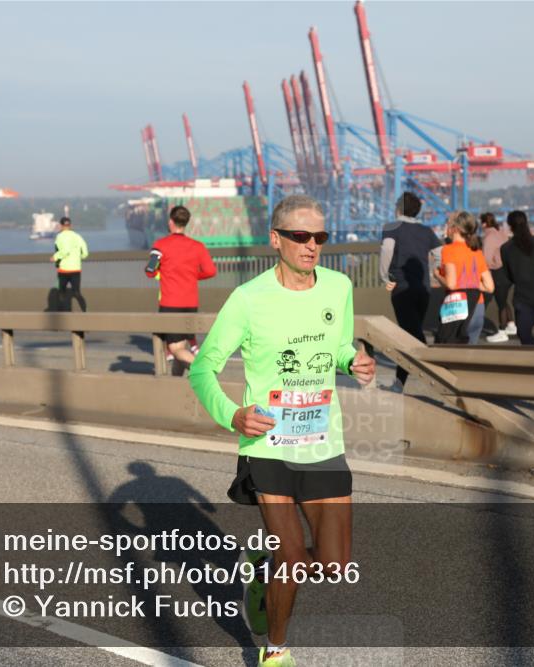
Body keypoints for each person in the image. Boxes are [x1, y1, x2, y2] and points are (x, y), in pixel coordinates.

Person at [189, 194, 375, 667]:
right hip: (268, 447)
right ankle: (275, 650)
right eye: (300, 236)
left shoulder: (337, 287)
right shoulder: (248, 299)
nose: (311, 246)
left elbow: (337, 349)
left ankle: (258, 572)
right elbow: (201, 370)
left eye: (320, 237)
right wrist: (232, 415)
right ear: (276, 239)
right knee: (291, 559)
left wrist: (353, 361)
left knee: (334, 566)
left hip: (324, 444)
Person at [378, 192, 441, 392]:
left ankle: (439, 370)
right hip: (423, 289)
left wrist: (385, 277)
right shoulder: (426, 230)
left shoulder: (391, 228)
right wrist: (431, 275)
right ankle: (399, 384)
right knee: (410, 333)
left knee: (410, 335)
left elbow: (387, 251)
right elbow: (440, 255)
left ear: (398, 208)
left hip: (401, 288)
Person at [145, 205, 217, 374]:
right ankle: (176, 383)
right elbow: (211, 271)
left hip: (170, 303)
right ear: (186, 223)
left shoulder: (161, 245)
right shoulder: (198, 246)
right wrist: (193, 276)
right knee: (183, 344)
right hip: (191, 303)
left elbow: (150, 270)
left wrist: (161, 272)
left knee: (176, 348)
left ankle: (205, 370)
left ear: (170, 222)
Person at [433, 211, 494, 344]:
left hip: (457, 307)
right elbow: (489, 287)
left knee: (451, 351)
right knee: (470, 354)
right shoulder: (476, 252)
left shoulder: (448, 250)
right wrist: (472, 283)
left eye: (448, 225)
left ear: (455, 228)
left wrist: (437, 275)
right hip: (478, 307)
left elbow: (451, 284)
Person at [500, 210, 534, 346]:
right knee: (525, 332)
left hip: (523, 297)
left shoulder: (505, 249)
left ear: (510, 226)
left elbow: (508, 276)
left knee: (524, 334)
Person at [480, 212, 513, 343]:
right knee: (504, 300)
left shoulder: (488, 237)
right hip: (508, 271)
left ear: (483, 224)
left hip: (498, 272)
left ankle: (502, 331)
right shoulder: (501, 233)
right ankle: (511, 325)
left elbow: (486, 260)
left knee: (501, 303)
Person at [51, 216, 89, 312]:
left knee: (61, 292)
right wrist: (77, 258)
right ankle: (85, 313)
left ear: (61, 225)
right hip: (76, 269)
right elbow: (85, 253)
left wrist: (55, 257)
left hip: (64, 270)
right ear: (70, 225)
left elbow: (64, 250)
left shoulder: (59, 236)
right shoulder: (78, 236)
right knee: (77, 293)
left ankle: (63, 315)